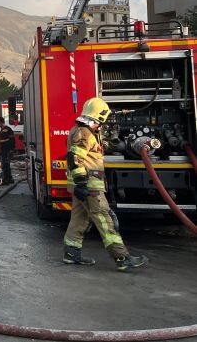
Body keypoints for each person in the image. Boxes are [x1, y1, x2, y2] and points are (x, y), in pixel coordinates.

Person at [62, 97, 148, 271]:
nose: (103, 124)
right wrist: (81, 183)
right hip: (89, 186)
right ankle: (121, 258)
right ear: (97, 117)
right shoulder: (85, 133)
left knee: (79, 219)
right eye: (103, 120)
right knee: (105, 220)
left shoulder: (80, 130)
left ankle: (71, 253)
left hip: (82, 186)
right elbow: (74, 158)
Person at [0, 117, 15, 185]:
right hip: (5, 150)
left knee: (5, 165)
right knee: (6, 165)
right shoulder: (3, 129)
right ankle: (9, 178)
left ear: (1, 122)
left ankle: (6, 179)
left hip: (6, 150)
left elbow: (10, 140)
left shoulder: (6, 129)